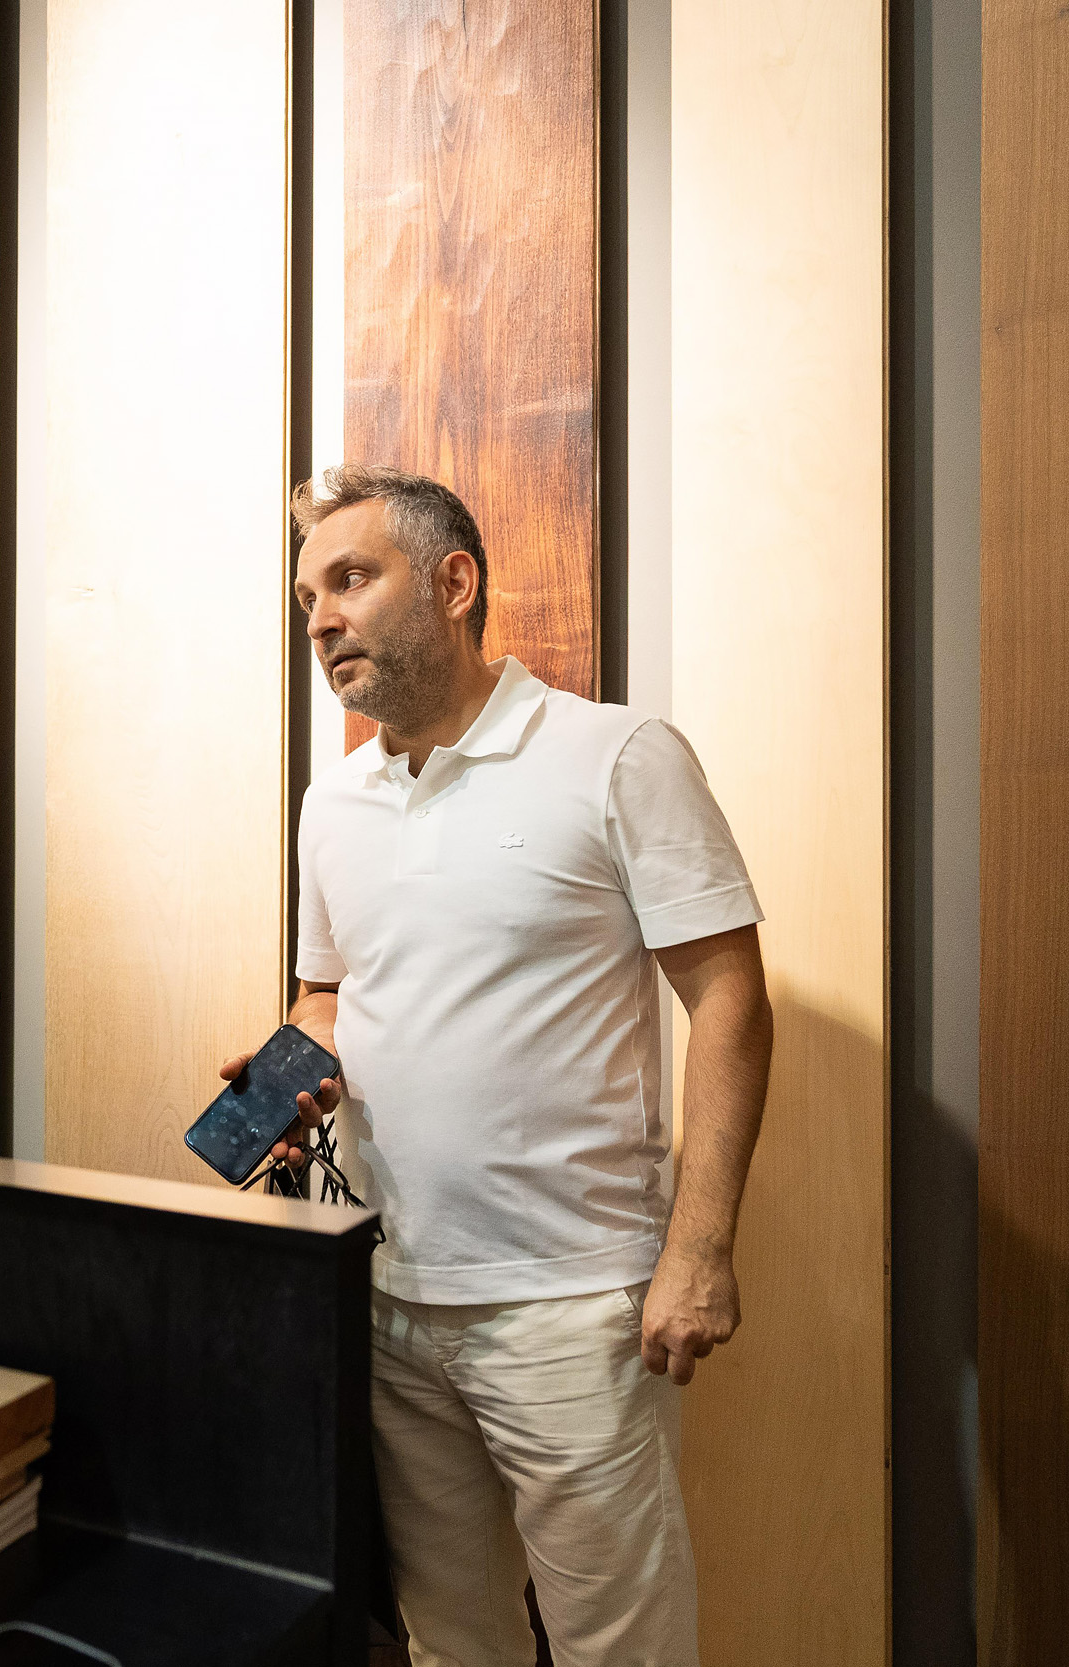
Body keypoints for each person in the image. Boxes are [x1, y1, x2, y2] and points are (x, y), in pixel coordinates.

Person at [226, 465, 774, 1665]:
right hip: (392, 1296)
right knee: (449, 1642)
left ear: (454, 582)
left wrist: (699, 1248)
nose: (320, 617)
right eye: (307, 596)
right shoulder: (334, 802)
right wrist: (286, 1069)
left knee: (617, 1650)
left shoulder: (616, 754)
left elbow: (728, 996)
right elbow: (330, 995)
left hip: (572, 1307)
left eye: (350, 578)